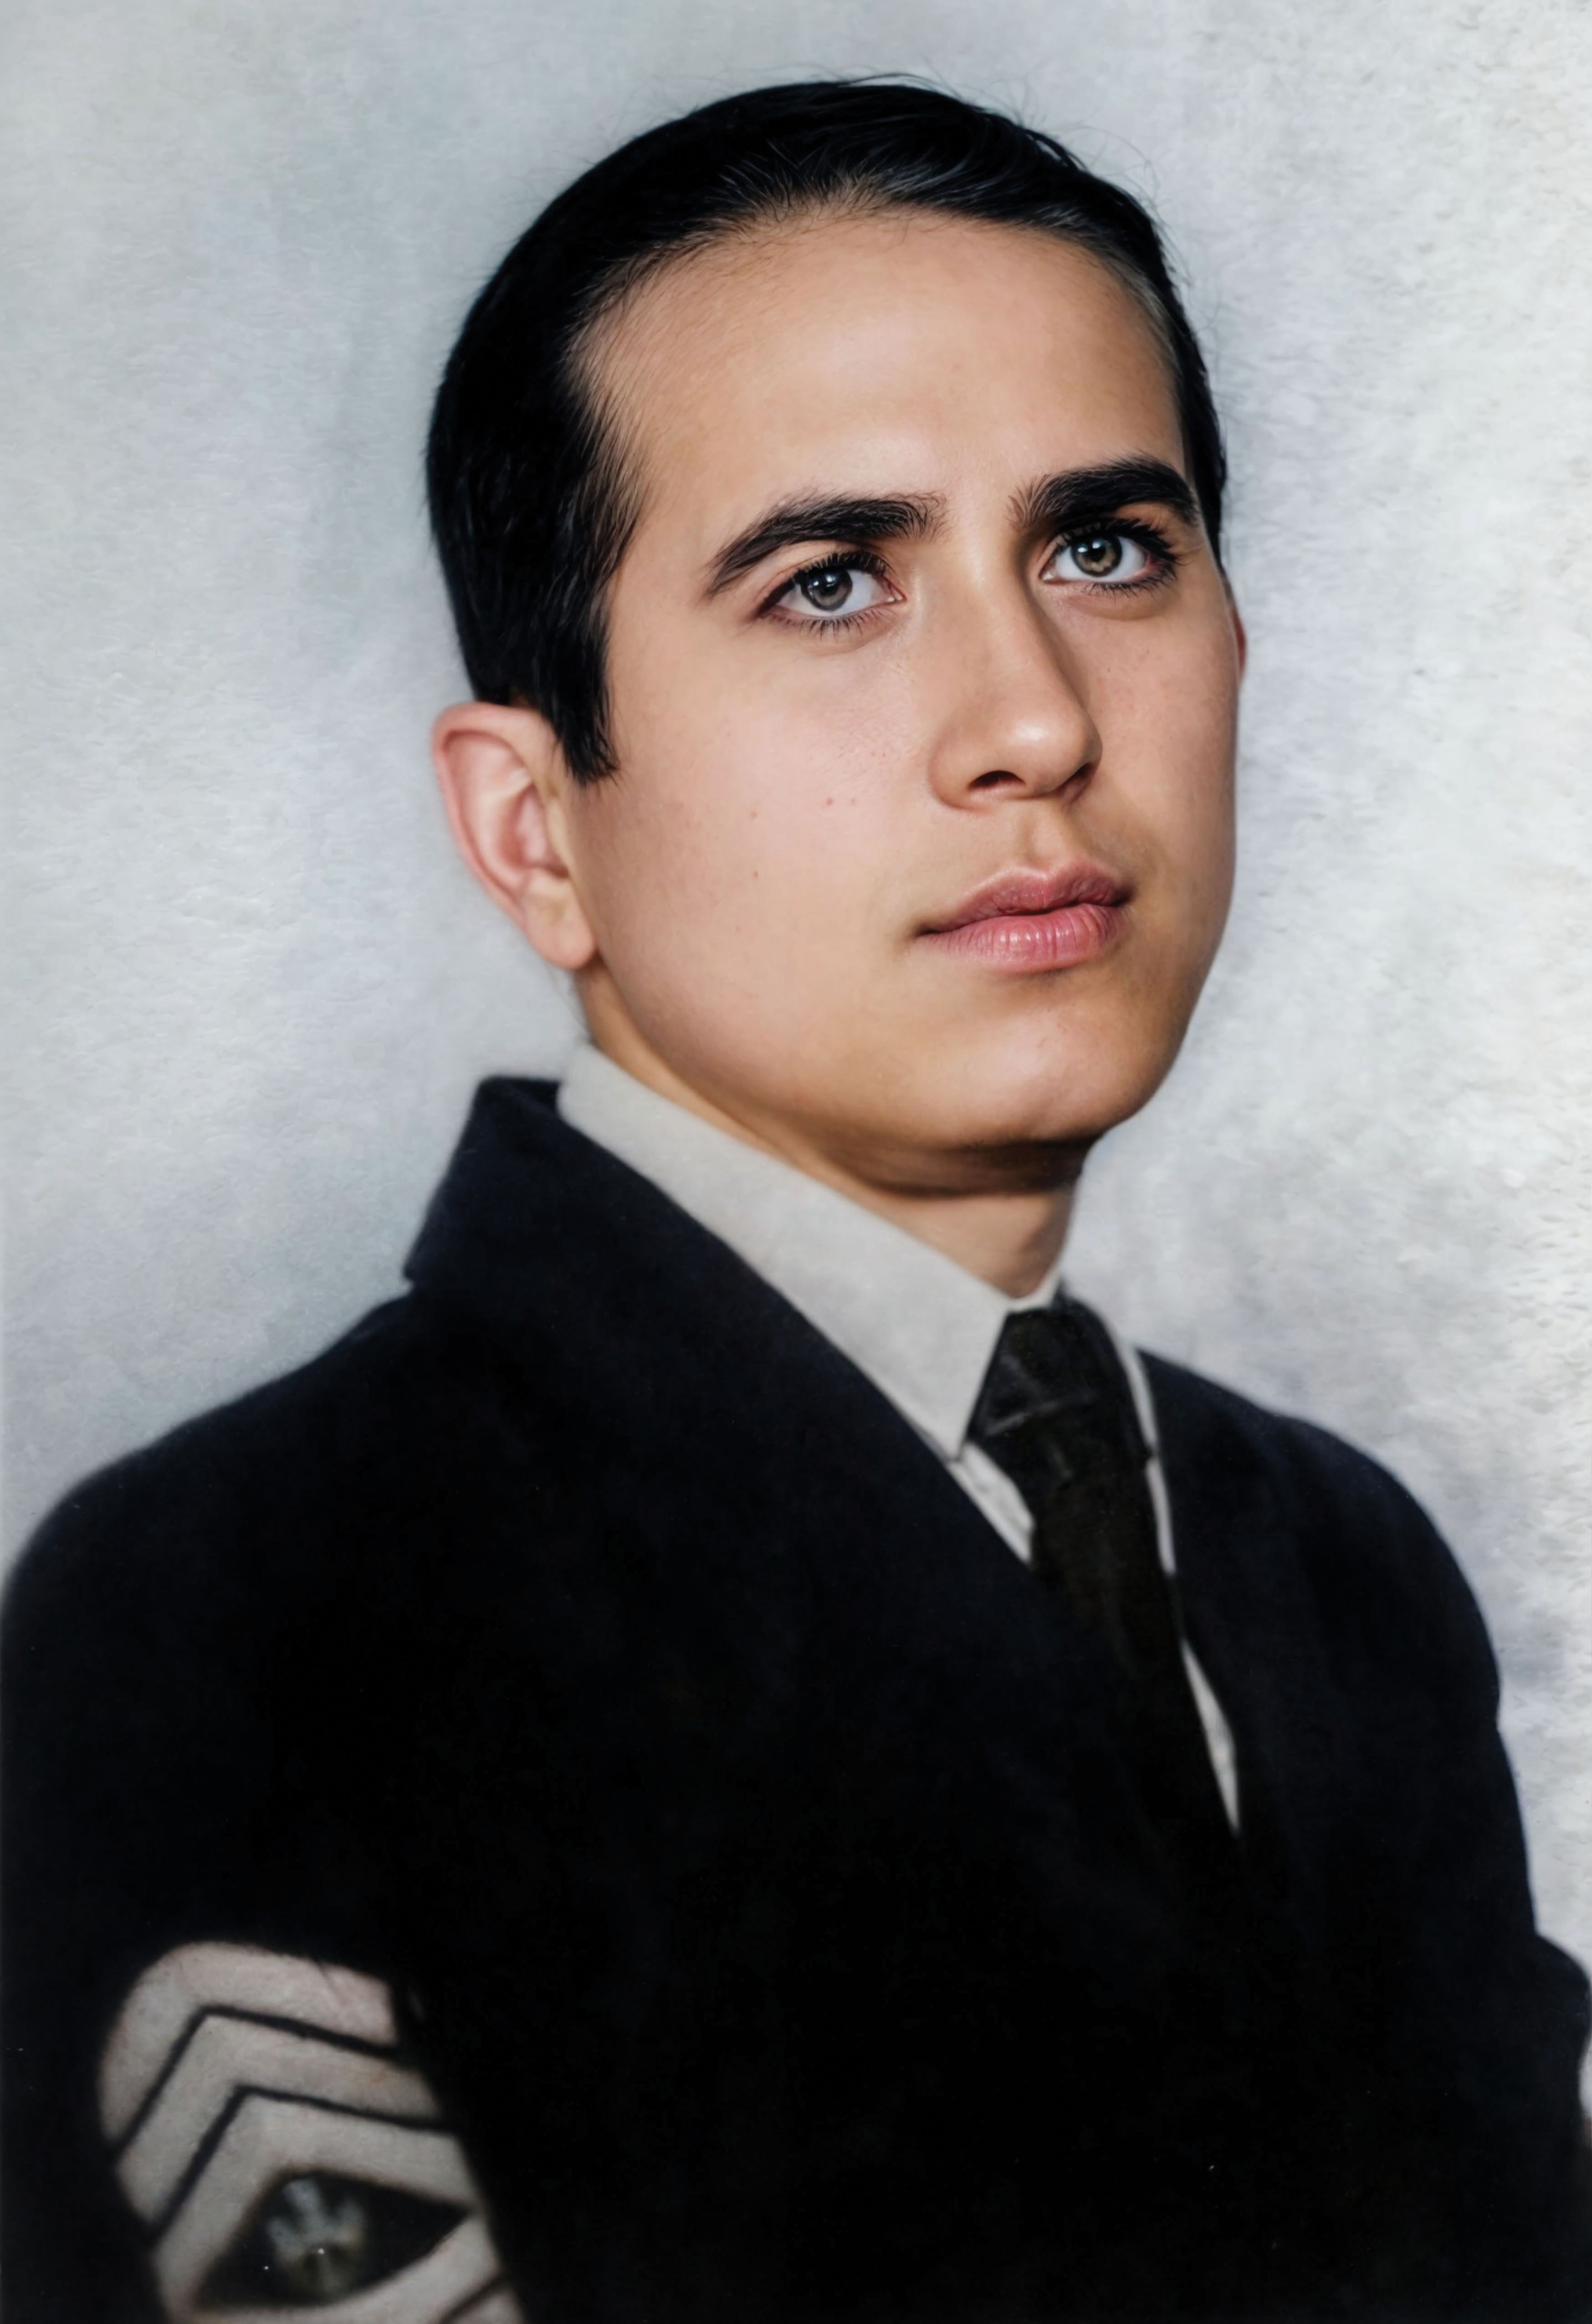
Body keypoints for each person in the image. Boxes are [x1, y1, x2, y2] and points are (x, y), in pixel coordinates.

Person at [5, 77, 1589, 2324]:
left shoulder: (1330, 1567)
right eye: (831, 582)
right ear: (536, 826)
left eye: (1105, 547)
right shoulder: (252, 1610)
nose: (1032, 720)